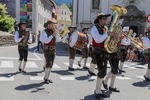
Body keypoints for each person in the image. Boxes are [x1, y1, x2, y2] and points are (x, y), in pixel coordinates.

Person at [90, 13, 115, 99]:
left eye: (106, 19)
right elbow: (97, 39)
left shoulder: (105, 28)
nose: (106, 20)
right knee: (102, 72)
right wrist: (108, 34)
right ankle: (97, 91)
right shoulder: (94, 28)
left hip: (104, 52)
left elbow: (106, 39)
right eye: (104, 19)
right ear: (99, 20)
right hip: (97, 52)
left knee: (103, 72)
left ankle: (98, 90)